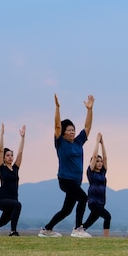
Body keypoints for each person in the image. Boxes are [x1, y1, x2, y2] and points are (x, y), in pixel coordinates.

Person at [39, 94, 94, 238]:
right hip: (65, 179)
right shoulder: (60, 143)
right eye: (69, 130)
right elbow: (57, 125)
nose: (72, 132)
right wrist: (57, 108)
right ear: (63, 133)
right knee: (83, 198)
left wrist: (90, 109)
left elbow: (87, 127)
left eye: (73, 130)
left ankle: (47, 229)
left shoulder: (78, 142)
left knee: (66, 210)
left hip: (76, 181)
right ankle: (77, 229)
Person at [0, 123, 25, 237]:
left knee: (4, 220)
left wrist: (23, 138)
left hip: (12, 199)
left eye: (11, 155)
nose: (10, 157)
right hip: (2, 199)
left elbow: (20, 153)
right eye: (7, 155)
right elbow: (0, 150)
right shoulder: (1, 168)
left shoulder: (15, 168)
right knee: (18, 205)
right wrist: (2, 135)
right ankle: (13, 232)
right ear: (3, 158)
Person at [81, 132, 111, 237]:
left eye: (100, 162)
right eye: (97, 161)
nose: (99, 163)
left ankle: (79, 229)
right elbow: (94, 156)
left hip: (101, 201)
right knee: (107, 216)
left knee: (90, 221)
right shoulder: (90, 172)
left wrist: (103, 144)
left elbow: (106, 158)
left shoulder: (103, 172)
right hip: (93, 201)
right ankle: (106, 238)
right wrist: (97, 142)